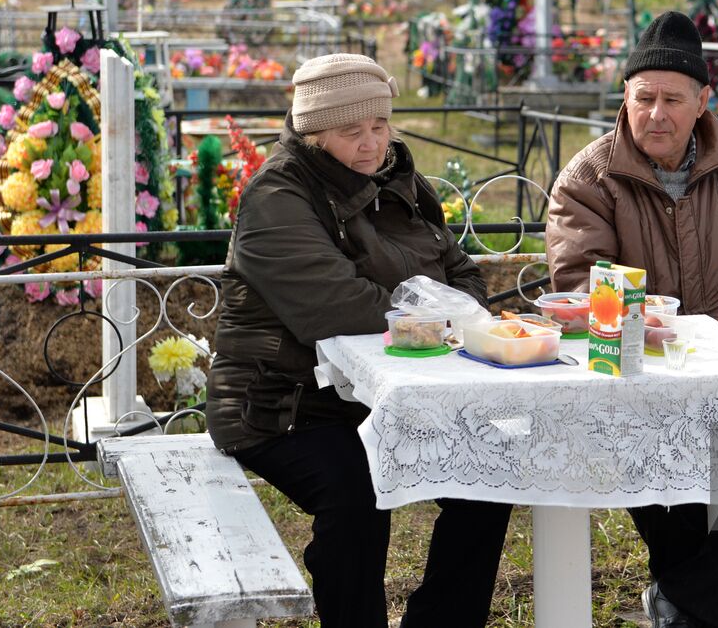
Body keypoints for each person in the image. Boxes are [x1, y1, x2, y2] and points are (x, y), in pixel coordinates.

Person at [207, 53, 512, 628]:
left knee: (487, 474)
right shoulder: (277, 195)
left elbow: (463, 273)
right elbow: (338, 305)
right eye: (353, 132)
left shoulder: (397, 181)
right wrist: (443, 317)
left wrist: (446, 310)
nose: (371, 144)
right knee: (357, 493)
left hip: (387, 394)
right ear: (314, 133)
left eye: (380, 126)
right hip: (281, 404)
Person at [546, 11, 718, 628]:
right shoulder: (589, 178)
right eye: (644, 98)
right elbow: (583, 288)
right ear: (625, 97)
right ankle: (690, 604)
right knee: (675, 496)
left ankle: (682, 602)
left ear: (702, 102)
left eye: (672, 99)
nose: (656, 114)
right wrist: (655, 338)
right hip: (628, 389)